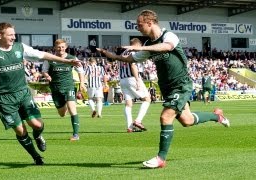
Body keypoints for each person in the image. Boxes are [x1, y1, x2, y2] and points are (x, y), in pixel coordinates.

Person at [97, 10, 230, 169]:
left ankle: (161, 158)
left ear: (150, 22)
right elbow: (131, 59)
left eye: (140, 25)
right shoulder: (148, 45)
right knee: (187, 120)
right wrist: (111, 55)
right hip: (167, 88)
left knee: (165, 117)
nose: (138, 28)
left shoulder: (169, 35)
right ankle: (217, 116)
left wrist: (141, 49)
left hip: (180, 85)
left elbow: (166, 47)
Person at [0, 22, 82, 165]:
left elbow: (42, 54)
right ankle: (36, 157)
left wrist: (66, 61)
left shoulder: (20, 47)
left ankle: (38, 136)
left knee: (36, 125)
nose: (13, 37)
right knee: (20, 130)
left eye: (14, 34)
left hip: (23, 93)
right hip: (4, 98)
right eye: (10, 34)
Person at [41, 39, 86, 141]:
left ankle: (75, 134)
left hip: (68, 86)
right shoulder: (49, 59)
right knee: (62, 114)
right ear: (55, 48)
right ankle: (64, 104)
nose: (61, 49)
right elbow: (44, 71)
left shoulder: (71, 58)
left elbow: (81, 71)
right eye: (58, 47)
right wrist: (47, 76)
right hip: (56, 88)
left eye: (62, 47)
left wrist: (82, 83)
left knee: (72, 108)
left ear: (65, 47)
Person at [115, 38, 151, 133]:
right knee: (147, 99)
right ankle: (138, 121)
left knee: (128, 103)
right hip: (132, 78)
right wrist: (137, 80)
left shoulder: (122, 53)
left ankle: (130, 127)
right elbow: (133, 65)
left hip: (123, 79)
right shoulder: (133, 52)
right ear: (137, 45)